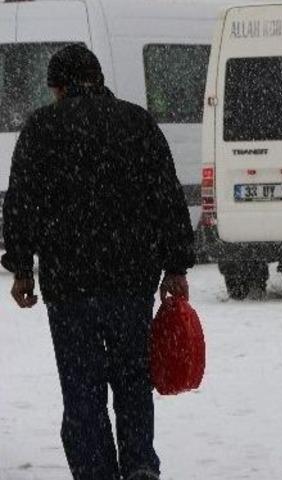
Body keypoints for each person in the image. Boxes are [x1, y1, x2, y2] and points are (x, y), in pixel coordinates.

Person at [1, 45, 194, 480]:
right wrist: (176, 265)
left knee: (82, 389)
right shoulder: (136, 122)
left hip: (69, 286)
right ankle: (140, 465)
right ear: (98, 79)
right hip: (130, 280)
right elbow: (167, 197)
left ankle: (94, 471)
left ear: (58, 86)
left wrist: (21, 268)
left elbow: (21, 204)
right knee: (132, 382)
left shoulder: (42, 128)